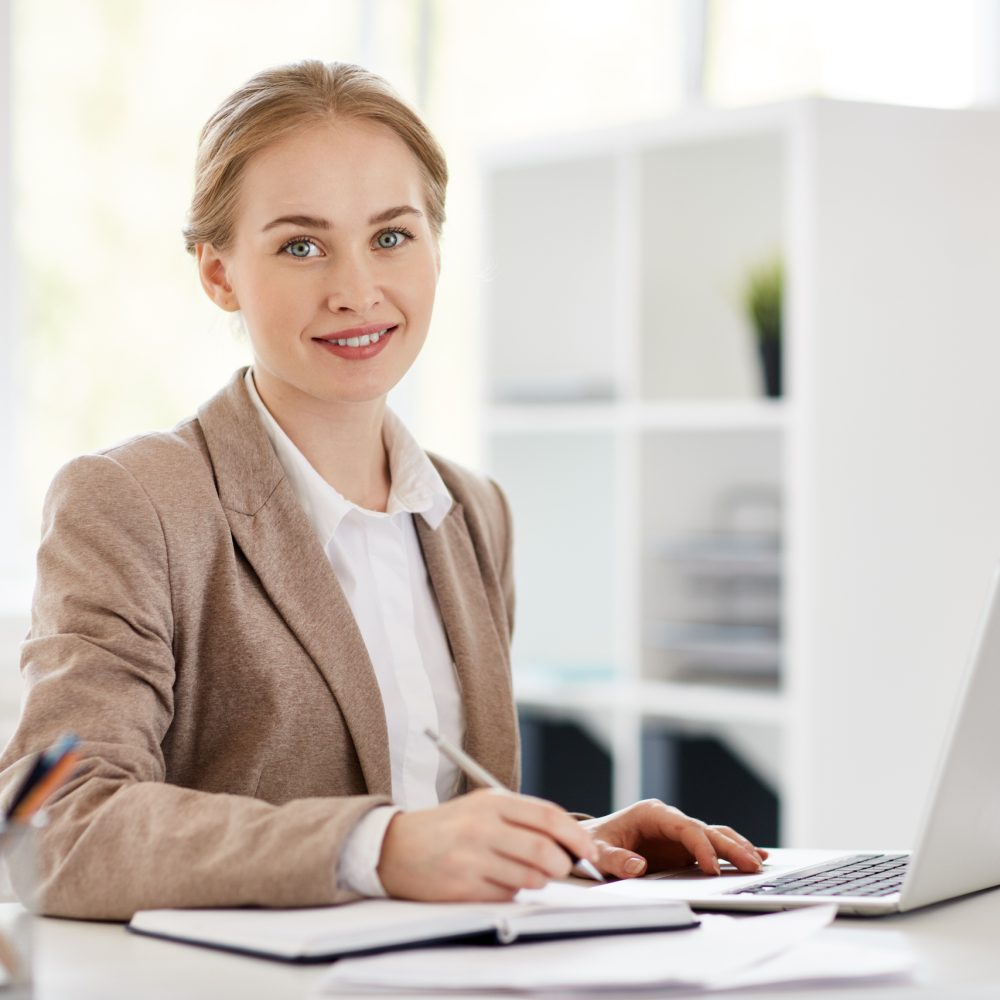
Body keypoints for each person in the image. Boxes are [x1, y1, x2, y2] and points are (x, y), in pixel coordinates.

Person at [0, 60, 767, 921]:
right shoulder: (132, 504)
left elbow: (423, 830)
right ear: (219, 274)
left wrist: (571, 849)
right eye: (301, 245)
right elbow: (43, 825)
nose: (357, 289)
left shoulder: (472, 514)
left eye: (392, 236)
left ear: (437, 244)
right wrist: (380, 845)